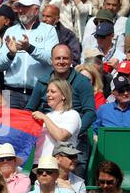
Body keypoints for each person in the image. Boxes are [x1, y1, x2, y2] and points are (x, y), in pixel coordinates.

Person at [26, 44, 96, 179]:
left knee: (73, 184)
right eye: (58, 58)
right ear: (51, 60)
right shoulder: (42, 82)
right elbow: (29, 109)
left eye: (65, 58)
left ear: (71, 61)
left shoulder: (82, 82)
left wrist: (74, 132)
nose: (61, 61)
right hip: (45, 141)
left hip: (75, 141)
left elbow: (90, 112)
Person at [0, 0, 58, 109]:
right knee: (7, 127)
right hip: (10, 92)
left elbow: (52, 59)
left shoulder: (49, 30)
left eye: (25, 7)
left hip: (39, 93)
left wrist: (30, 48)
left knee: (37, 128)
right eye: (19, 6)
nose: (20, 10)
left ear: (36, 10)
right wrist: (11, 54)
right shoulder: (10, 31)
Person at [31, 78, 81, 165]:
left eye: (52, 92)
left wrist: (45, 118)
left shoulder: (72, 114)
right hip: (39, 163)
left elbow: (61, 137)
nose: (48, 94)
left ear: (63, 95)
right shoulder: (47, 115)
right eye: (47, 91)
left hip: (58, 164)